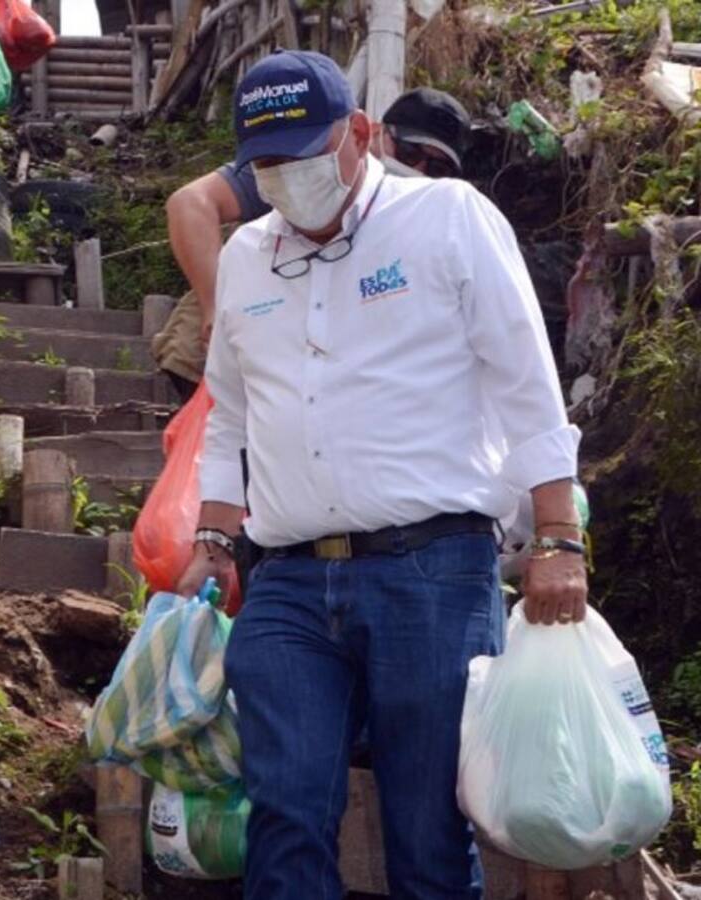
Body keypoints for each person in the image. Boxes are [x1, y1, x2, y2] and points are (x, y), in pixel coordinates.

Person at [176, 51, 587, 899]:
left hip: (431, 572)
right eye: (269, 166)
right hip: (286, 580)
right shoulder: (249, 255)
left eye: (305, 154)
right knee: (285, 817)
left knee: (428, 830)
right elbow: (233, 416)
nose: (289, 179)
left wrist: (558, 537)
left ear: (361, 133)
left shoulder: (447, 219)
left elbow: (526, 382)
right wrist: (214, 540)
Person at [152, 86, 472, 404]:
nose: (417, 171)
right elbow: (190, 203)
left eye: (437, 168)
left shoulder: (432, 220)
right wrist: (213, 306)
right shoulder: (309, 167)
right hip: (228, 348)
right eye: (409, 153)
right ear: (370, 133)